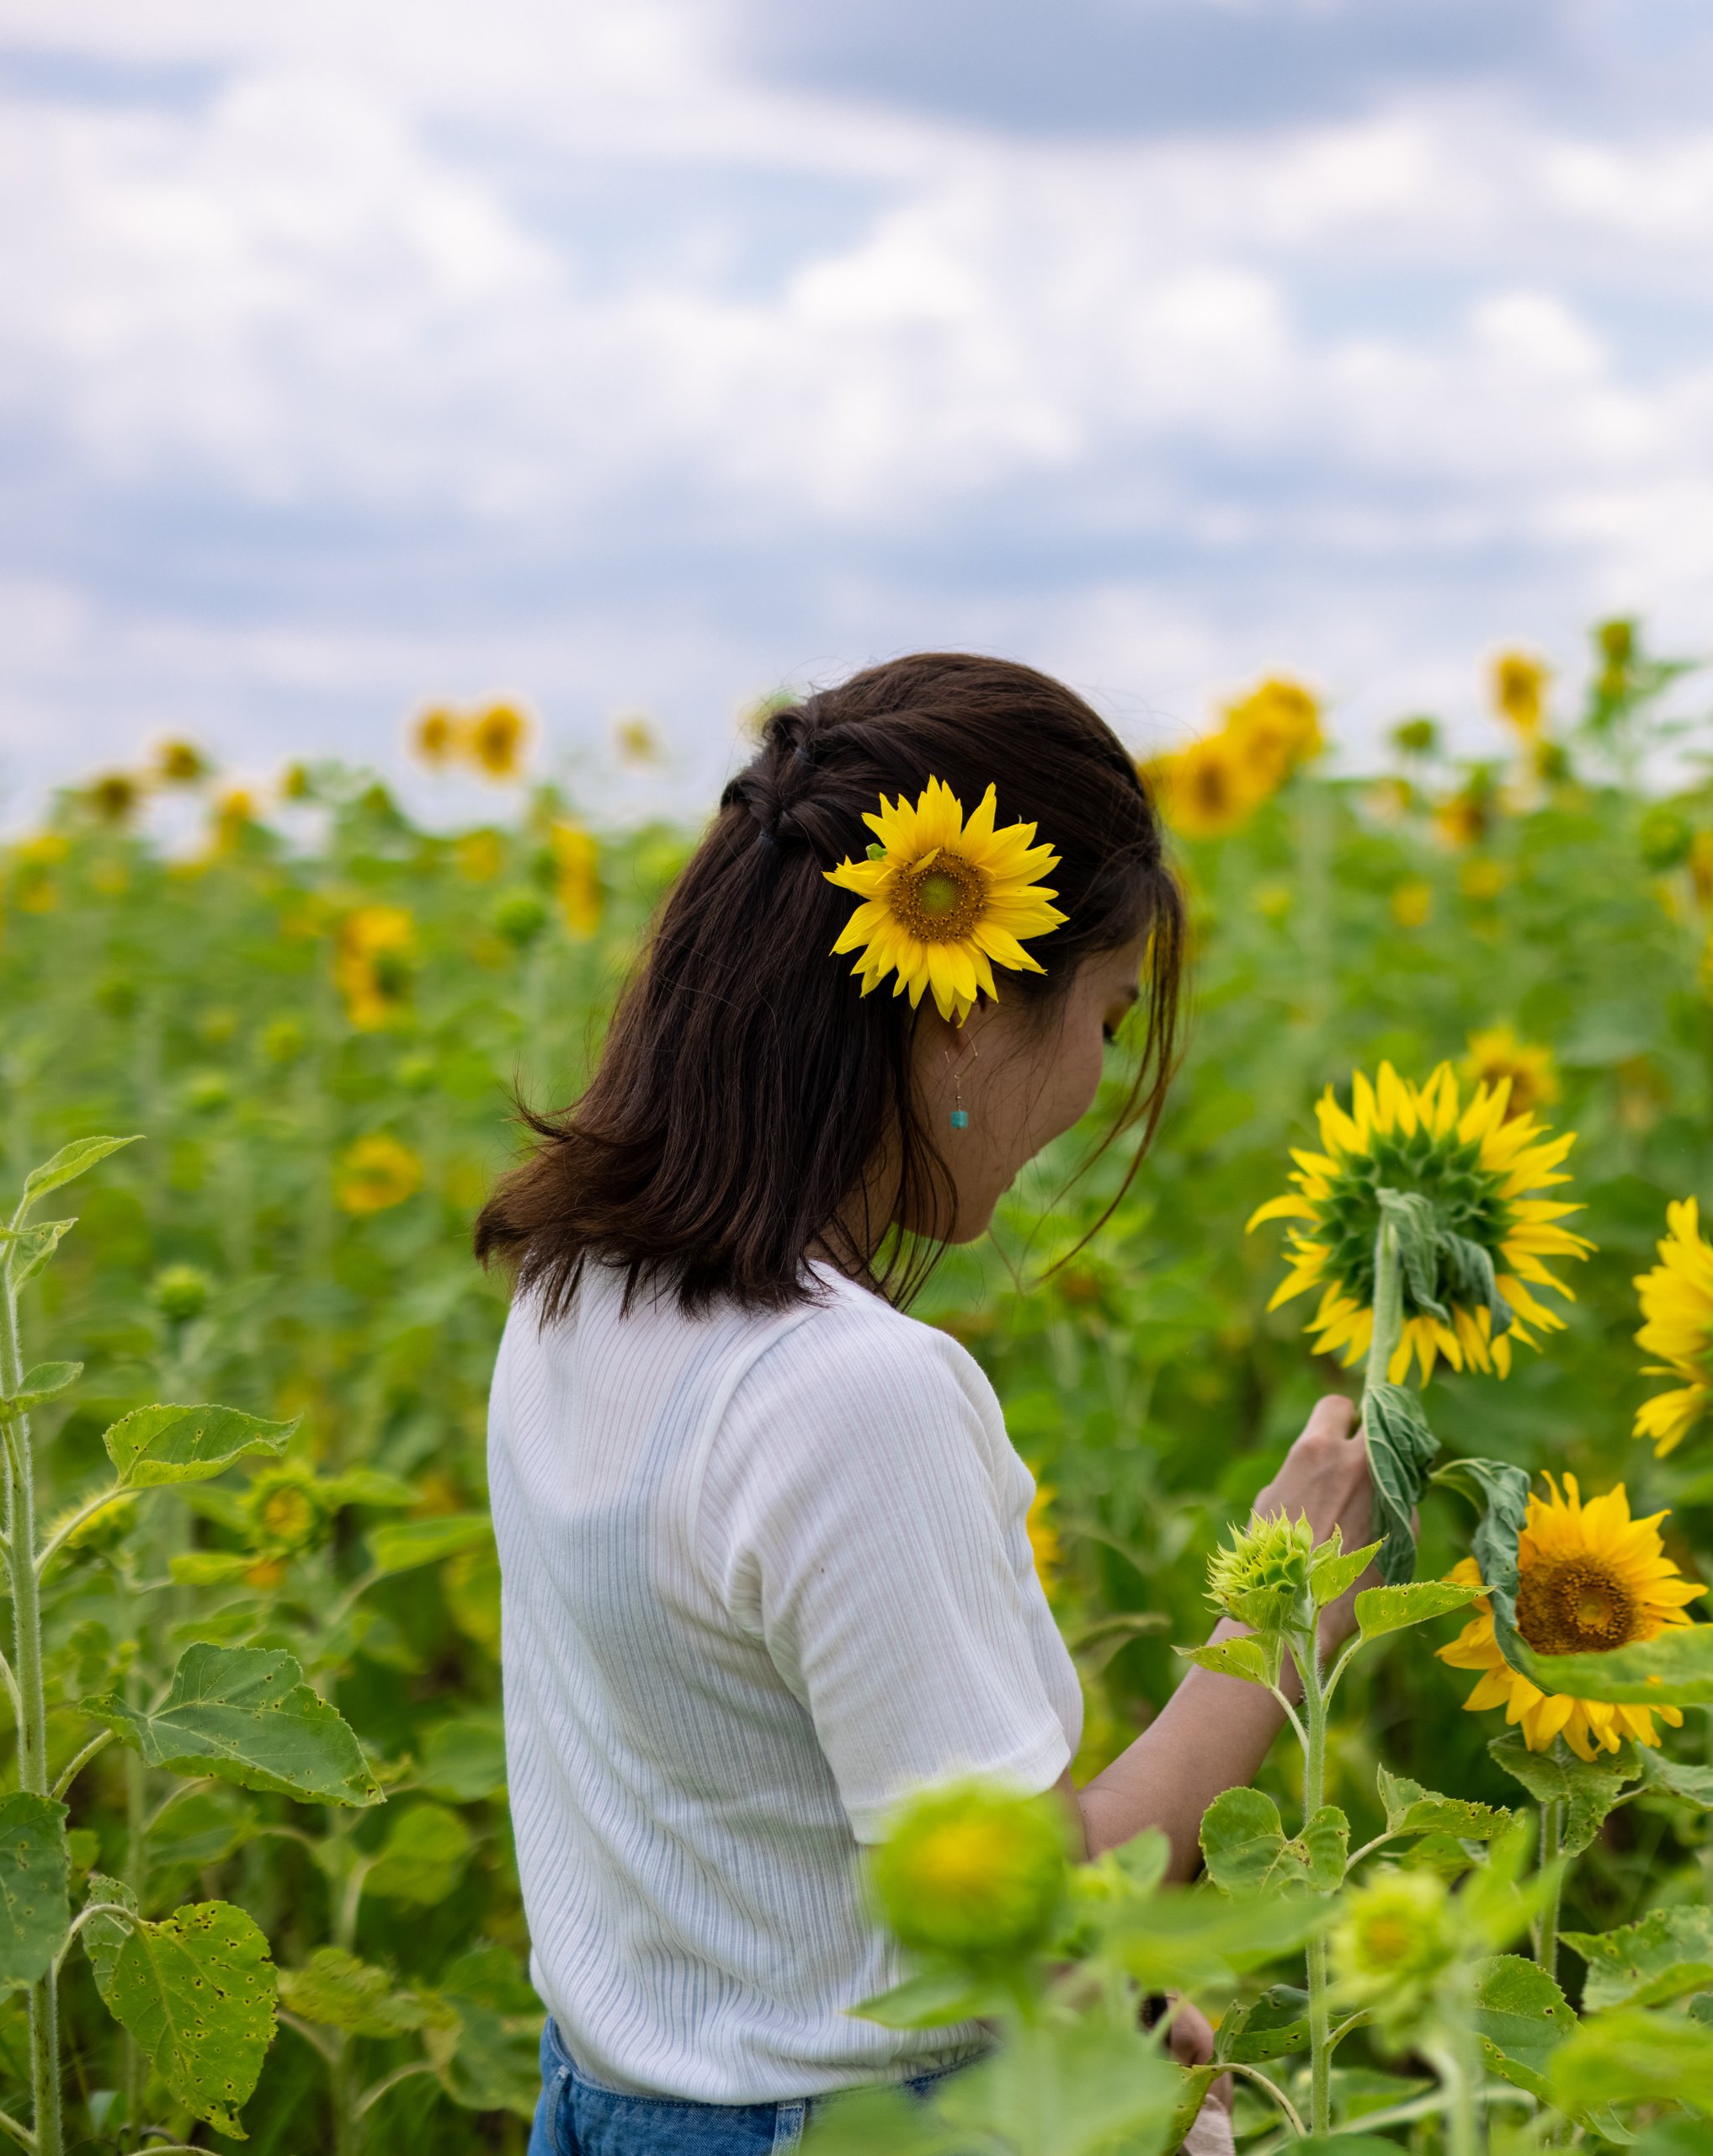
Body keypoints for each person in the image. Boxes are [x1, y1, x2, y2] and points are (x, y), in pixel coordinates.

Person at [476, 654, 1373, 2150]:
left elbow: (754, 1832)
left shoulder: (573, 1291)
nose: (1097, 1077)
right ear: (962, 1010)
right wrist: (1277, 1633)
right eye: (1101, 1014)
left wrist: (1111, 2015)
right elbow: (1019, 1907)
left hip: (616, 2107)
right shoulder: (846, 1394)